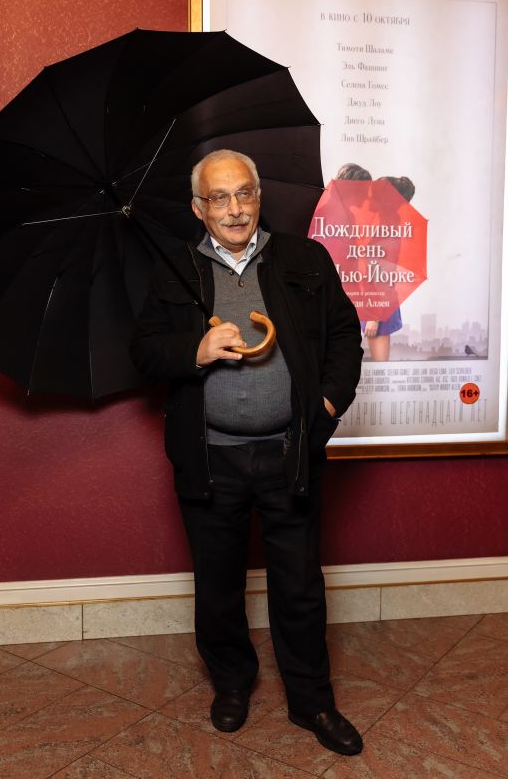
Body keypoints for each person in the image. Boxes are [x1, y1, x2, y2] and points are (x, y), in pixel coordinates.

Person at [130, 149, 363, 756]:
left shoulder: (305, 259)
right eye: (219, 198)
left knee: (299, 585)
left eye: (244, 194)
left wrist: (327, 407)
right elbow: (145, 350)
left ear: (259, 197)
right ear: (198, 208)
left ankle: (312, 701)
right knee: (217, 584)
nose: (234, 209)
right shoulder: (175, 270)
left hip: (291, 453)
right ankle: (232, 684)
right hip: (211, 458)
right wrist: (197, 350)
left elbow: (345, 335)